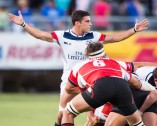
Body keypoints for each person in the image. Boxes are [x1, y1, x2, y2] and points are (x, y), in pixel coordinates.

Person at [8, 10, 149, 126]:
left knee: (93, 118)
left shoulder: (93, 36)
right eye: (87, 21)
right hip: (70, 82)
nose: (91, 24)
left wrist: (135, 29)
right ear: (77, 23)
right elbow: (41, 35)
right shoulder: (62, 35)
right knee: (62, 114)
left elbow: (115, 37)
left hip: (92, 81)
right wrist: (23, 24)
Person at [62, 42, 156, 126]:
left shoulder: (80, 65)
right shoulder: (114, 63)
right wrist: (154, 89)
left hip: (100, 88)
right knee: (137, 124)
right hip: (123, 88)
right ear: (104, 54)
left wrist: (87, 89)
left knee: (68, 112)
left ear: (88, 56)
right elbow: (137, 84)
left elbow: (68, 89)